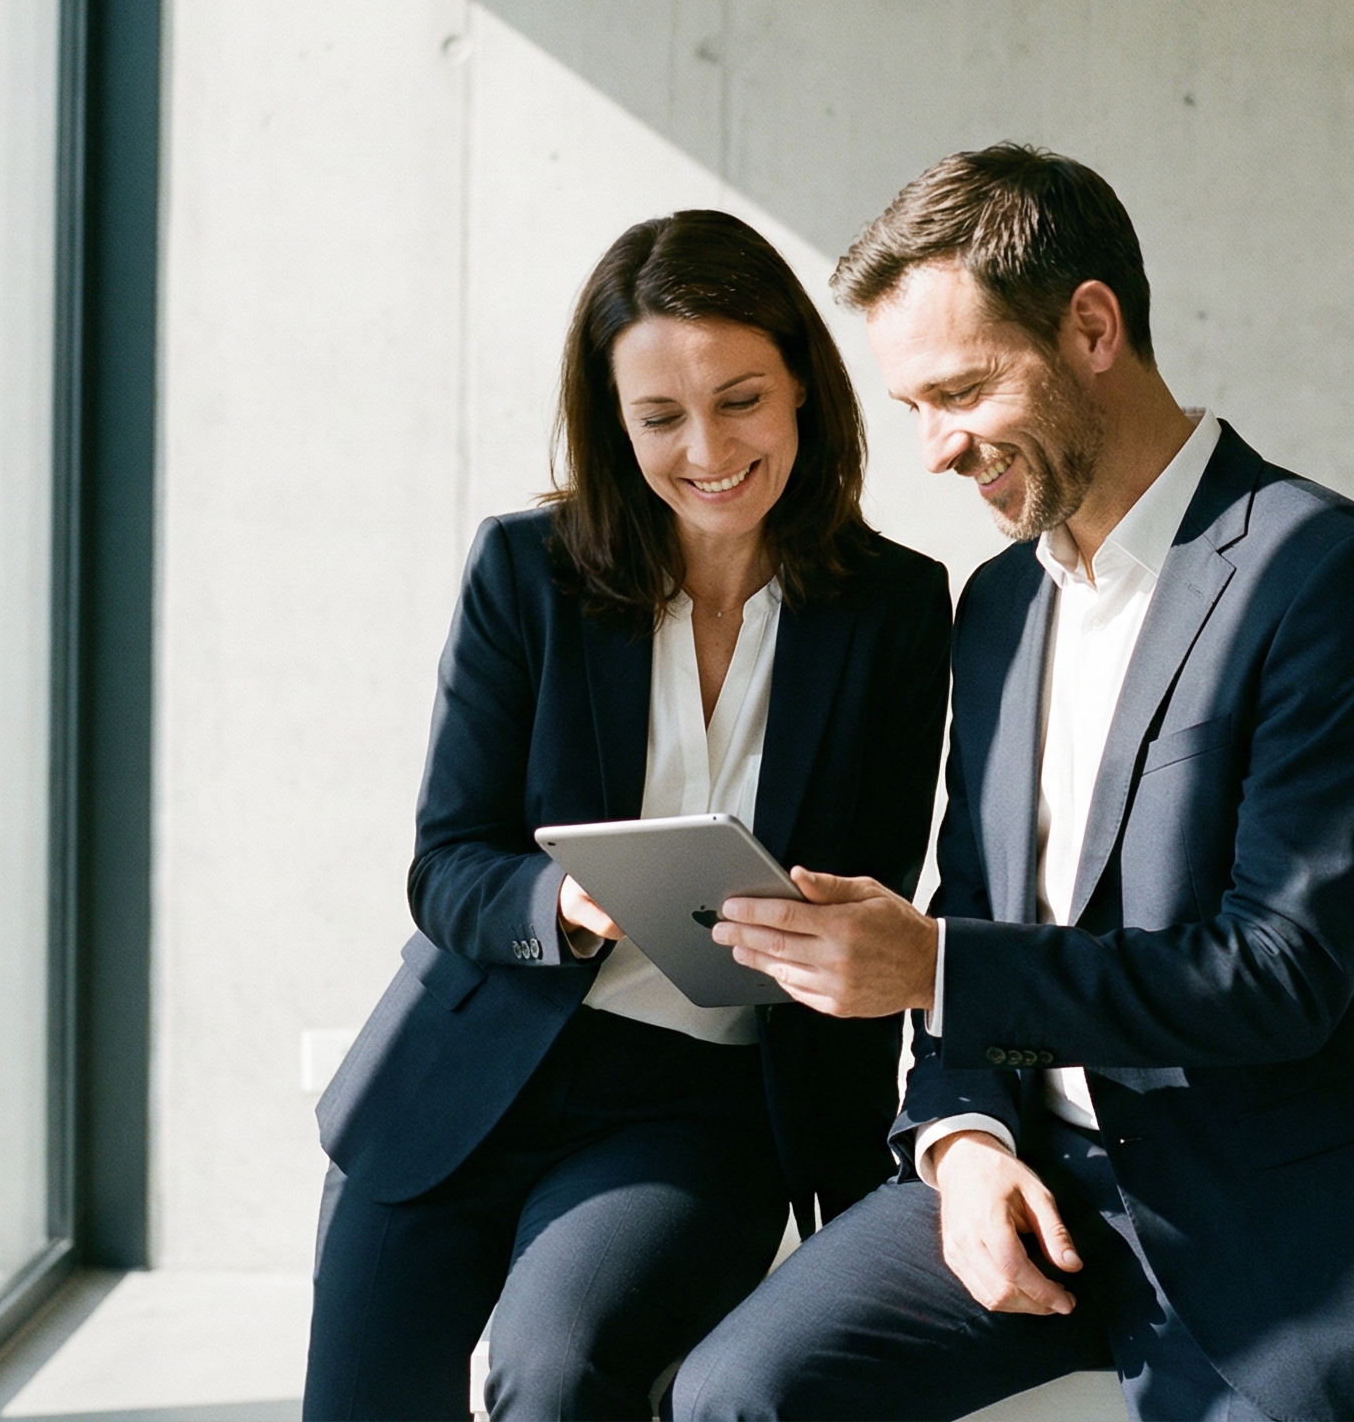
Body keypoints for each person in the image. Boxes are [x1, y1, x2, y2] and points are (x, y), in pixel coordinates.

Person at [672, 148, 1354, 1422]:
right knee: (731, 1394)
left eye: (963, 390)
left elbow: (1283, 978)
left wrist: (935, 968)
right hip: (1037, 1176)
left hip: (1273, 1222)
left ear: (1092, 326)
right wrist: (965, 1145)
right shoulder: (999, 605)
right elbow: (982, 897)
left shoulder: (1330, 578)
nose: (937, 449)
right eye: (915, 409)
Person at [303, 210, 951, 1421]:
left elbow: (874, 897)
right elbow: (445, 864)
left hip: (693, 1107)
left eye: (742, 398)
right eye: (661, 417)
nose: (707, 446)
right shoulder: (526, 572)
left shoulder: (898, 611)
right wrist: (563, 901)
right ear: (617, 424)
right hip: (458, 1078)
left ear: (805, 383)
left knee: (552, 1378)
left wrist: (869, 1165)